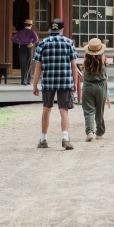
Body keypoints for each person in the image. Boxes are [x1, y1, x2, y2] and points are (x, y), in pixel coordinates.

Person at [32, 18, 79, 150]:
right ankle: (65, 138)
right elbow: (74, 66)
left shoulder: (42, 44)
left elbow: (37, 67)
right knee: (63, 110)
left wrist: (35, 85)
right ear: (61, 29)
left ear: (50, 29)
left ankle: (43, 139)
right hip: (65, 81)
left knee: (46, 110)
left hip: (48, 82)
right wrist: (74, 83)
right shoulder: (69, 42)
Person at [82, 38, 110, 141]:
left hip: (88, 86)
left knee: (88, 110)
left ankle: (89, 132)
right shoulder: (103, 58)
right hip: (101, 87)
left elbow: (84, 68)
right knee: (99, 110)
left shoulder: (86, 59)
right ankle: (99, 133)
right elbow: (105, 68)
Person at [12, 18, 38, 85]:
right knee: (28, 64)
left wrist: (19, 42)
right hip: (29, 47)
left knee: (23, 64)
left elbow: (13, 38)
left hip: (21, 47)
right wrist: (31, 43)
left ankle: (24, 80)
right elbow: (36, 39)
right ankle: (27, 80)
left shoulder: (20, 32)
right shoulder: (32, 32)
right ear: (31, 25)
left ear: (24, 25)